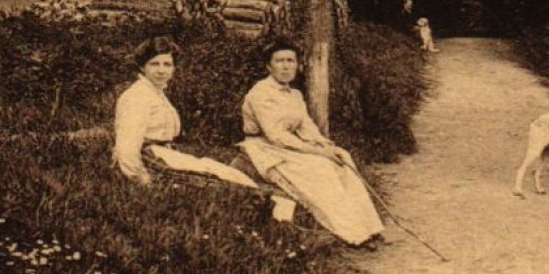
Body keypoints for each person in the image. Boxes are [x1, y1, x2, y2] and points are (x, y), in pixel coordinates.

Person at [238, 40, 385, 246]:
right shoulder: (261, 93)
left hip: (286, 147)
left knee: (343, 158)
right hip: (265, 149)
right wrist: (318, 153)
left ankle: (369, 226)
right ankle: (353, 234)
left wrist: (326, 146)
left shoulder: (295, 94)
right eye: (279, 61)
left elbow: (306, 126)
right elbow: (275, 136)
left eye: (290, 61)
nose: (286, 66)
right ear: (268, 67)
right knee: (321, 169)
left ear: (298, 65)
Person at [113, 36, 258, 190]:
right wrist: (142, 180)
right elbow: (127, 147)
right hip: (151, 161)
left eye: (167, 64)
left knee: (226, 173)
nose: (161, 71)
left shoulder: (155, 93)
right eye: (154, 64)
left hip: (164, 155)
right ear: (142, 67)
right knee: (224, 182)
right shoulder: (138, 96)